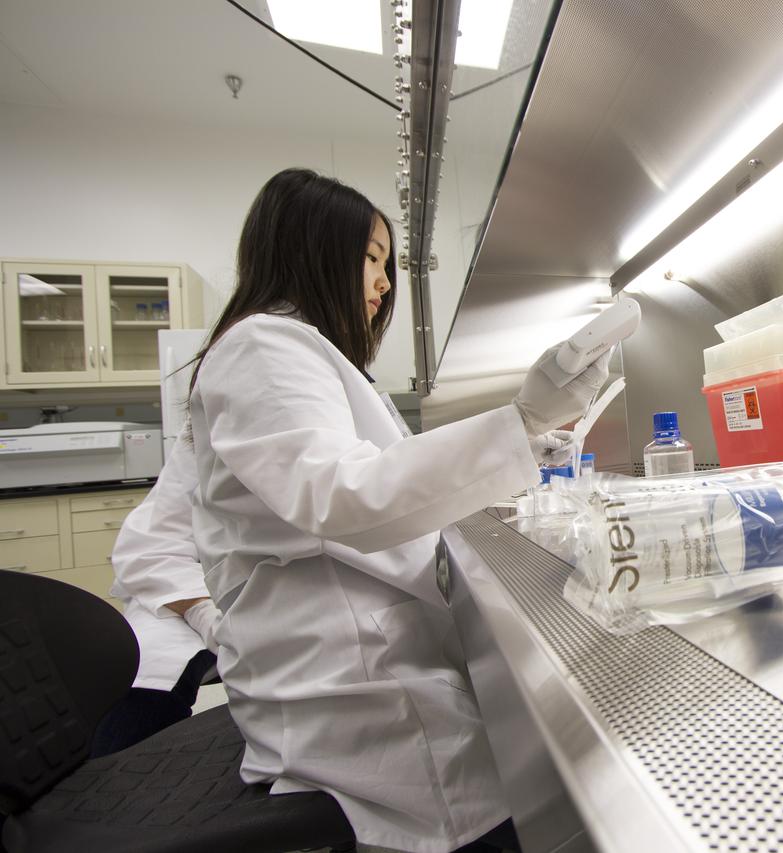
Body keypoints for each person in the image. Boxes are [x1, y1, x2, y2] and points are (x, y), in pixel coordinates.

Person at [185, 168, 606, 853]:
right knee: (521, 812)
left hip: (359, 658)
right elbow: (342, 493)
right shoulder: (263, 345)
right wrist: (521, 421)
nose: (383, 284)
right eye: (372, 258)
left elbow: (381, 480)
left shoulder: (306, 357)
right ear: (314, 248)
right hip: (353, 685)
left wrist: (523, 445)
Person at [94, 436, 219, 757]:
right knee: (147, 676)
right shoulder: (204, 434)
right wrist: (204, 613)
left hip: (309, 604)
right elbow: (153, 549)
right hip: (190, 595)